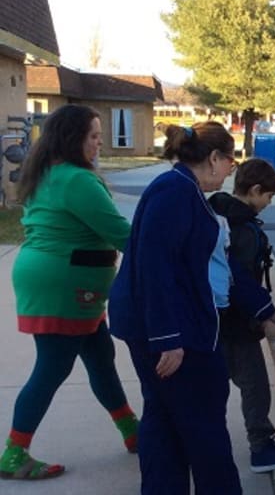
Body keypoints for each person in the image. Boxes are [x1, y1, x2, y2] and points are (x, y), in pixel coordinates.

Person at [1, 104, 138, 480]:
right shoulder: (77, 180)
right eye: (93, 136)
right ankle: (14, 453)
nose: (99, 144)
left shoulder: (46, 173)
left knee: (100, 355)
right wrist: (171, 254)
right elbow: (120, 232)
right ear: (72, 138)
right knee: (53, 366)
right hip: (65, 283)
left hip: (55, 276)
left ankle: (132, 431)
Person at [108, 122, 242, 494]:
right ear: (213, 158)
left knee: (165, 419)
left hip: (167, 323)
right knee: (204, 423)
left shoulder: (181, 188)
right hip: (172, 330)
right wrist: (167, 337)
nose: (232, 169)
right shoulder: (176, 192)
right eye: (231, 160)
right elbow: (155, 264)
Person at [208, 158, 275, 473]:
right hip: (238, 325)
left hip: (219, 321)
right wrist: (265, 315)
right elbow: (240, 280)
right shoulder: (243, 230)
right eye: (269, 197)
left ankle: (203, 439)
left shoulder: (219, 214)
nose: (269, 203)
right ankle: (261, 448)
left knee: (216, 385)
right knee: (256, 387)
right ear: (254, 190)